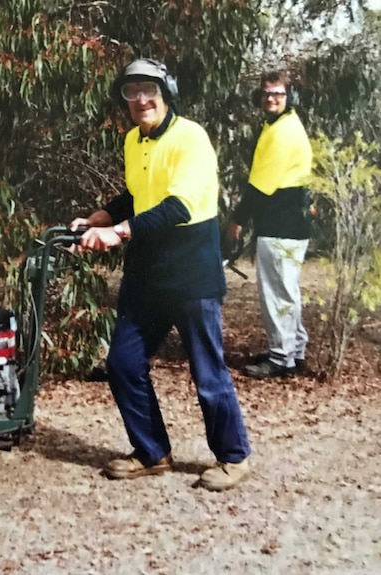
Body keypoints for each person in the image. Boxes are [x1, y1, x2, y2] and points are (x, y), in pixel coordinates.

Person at [71, 58, 252, 491]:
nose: (140, 99)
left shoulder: (191, 138)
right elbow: (139, 194)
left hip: (191, 273)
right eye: (131, 91)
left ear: (166, 91)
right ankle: (153, 453)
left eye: (148, 89)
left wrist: (116, 232)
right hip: (147, 274)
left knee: (207, 373)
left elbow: (178, 206)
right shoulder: (135, 140)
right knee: (123, 363)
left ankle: (233, 457)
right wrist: (103, 214)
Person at [229, 70, 312, 379]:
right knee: (286, 290)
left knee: (277, 293)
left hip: (281, 225)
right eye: (266, 93)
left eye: (277, 93)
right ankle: (293, 350)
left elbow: (259, 186)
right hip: (286, 225)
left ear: (289, 97)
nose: (271, 98)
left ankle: (281, 357)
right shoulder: (278, 126)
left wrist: (237, 219)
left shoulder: (282, 132)